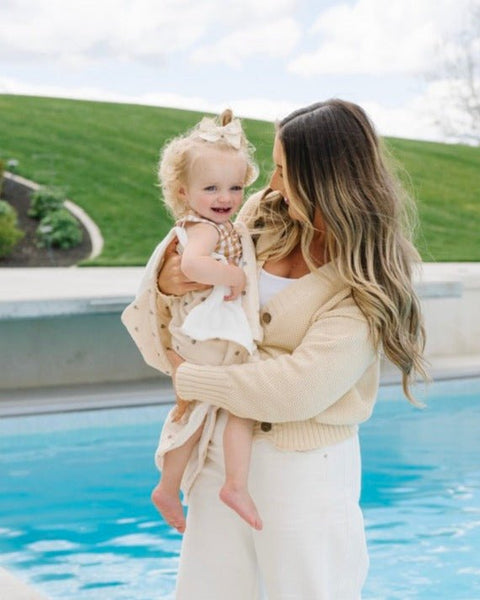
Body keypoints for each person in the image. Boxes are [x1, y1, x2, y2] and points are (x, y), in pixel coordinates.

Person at [153, 99, 428, 599]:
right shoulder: (266, 214)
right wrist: (169, 283)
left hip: (302, 469)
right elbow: (191, 283)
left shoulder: (369, 279)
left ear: (323, 179)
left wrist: (187, 377)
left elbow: (296, 390)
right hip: (220, 449)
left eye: (282, 170)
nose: (272, 183)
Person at [121, 109, 265, 535]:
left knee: (201, 409)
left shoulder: (217, 224)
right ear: (183, 192)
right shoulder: (205, 229)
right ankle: (230, 485)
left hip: (204, 332)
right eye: (211, 188)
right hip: (206, 333)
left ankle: (175, 487)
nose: (226, 197)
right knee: (239, 402)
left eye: (235, 187)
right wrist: (234, 276)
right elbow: (192, 265)